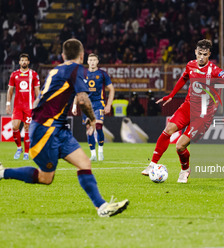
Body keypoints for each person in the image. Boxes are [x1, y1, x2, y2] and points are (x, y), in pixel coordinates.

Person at [0, 39, 129, 217]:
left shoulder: (57, 70)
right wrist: (92, 119)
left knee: (84, 163)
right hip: (45, 128)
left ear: (62, 55)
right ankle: (3, 172)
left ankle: (102, 207)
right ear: (82, 56)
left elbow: (43, 98)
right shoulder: (76, 70)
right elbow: (83, 99)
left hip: (57, 128)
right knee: (46, 177)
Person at [141, 39, 224, 183]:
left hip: (203, 115)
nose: (201, 57)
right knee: (168, 130)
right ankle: (152, 164)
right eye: (199, 53)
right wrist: (171, 95)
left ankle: (185, 170)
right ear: (195, 52)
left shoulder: (216, 71)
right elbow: (184, 77)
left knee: (180, 146)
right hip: (188, 106)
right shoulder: (190, 65)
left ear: (209, 54)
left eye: (205, 54)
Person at [72, 53, 115, 161]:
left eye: (94, 60)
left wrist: (109, 105)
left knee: (98, 126)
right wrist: (74, 105)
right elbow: (78, 91)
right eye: (90, 60)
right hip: (86, 105)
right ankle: (93, 155)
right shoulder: (82, 73)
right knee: (89, 128)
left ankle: (100, 151)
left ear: (97, 62)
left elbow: (111, 89)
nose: (92, 62)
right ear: (87, 62)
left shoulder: (102, 74)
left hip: (99, 103)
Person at [6, 53, 40, 160]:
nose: (24, 62)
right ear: (19, 62)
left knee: (27, 128)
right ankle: (19, 148)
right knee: (15, 127)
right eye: (22, 60)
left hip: (29, 106)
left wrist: (38, 104)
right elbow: (10, 90)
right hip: (18, 106)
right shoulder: (14, 74)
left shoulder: (34, 74)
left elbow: (37, 90)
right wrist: (8, 103)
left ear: (28, 62)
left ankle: (26, 153)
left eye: (26, 60)